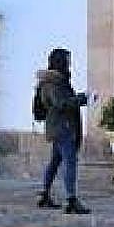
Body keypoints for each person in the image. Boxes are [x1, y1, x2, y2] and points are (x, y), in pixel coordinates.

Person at [35, 47, 92, 215]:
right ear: (60, 61)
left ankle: (44, 195)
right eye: (67, 60)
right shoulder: (53, 82)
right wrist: (83, 99)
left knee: (55, 161)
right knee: (70, 162)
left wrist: (79, 97)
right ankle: (70, 200)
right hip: (63, 128)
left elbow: (62, 101)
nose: (69, 63)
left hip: (59, 127)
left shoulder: (57, 80)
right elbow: (61, 103)